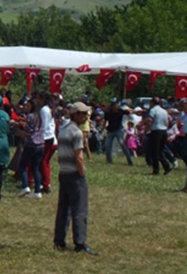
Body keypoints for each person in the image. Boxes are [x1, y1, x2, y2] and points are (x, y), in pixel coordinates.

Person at [54, 102, 98, 256]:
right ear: (75, 114)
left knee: (63, 209)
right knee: (79, 210)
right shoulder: (77, 133)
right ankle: (80, 242)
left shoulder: (63, 129)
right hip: (74, 175)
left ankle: (59, 240)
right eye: (83, 114)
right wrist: (82, 173)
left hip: (63, 173)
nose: (86, 117)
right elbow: (79, 157)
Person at [17, 99, 45, 199]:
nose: (26, 107)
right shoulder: (39, 116)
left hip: (31, 144)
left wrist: (21, 125)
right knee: (35, 168)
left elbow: (29, 130)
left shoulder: (30, 116)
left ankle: (25, 186)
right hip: (41, 144)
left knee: (22, 166)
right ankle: (38, 190)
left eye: (28, 106)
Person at [145, 97, 172, 175]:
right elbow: (167, 123)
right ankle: (167, 167)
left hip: (156, 132)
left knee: (154, 152)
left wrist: (146, 132)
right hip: (163, 131)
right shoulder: (164, 111)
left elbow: (150, 122)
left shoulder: (153, 110)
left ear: (152, 103)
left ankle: (156, 170)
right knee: (159, 151)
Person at [104, 100, 134, 166]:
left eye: (117, 106)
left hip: (118, 130)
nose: (115, 108)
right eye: (114, 107)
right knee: (107, 145)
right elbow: (105, 121)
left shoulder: (121, 111)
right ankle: (109, 161)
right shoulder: (108, 112)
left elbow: (130, 112)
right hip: (110, 130)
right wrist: (103, 129)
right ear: (112, 107)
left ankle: (130, 160)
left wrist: (138, 112)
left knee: (122, 144)